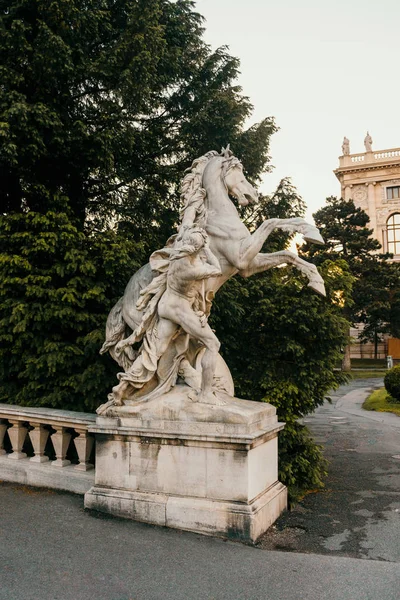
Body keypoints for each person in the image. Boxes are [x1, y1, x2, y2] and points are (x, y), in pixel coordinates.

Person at [98, 227, 223, 412]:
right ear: (197, 247)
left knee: (155, 351)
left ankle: (122, 387)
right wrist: (207, 248)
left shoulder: (178, 257)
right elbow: (217, 269)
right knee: (213, 344)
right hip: (178, 309)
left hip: (167, 306)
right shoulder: (190, 267)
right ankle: (205, 394)